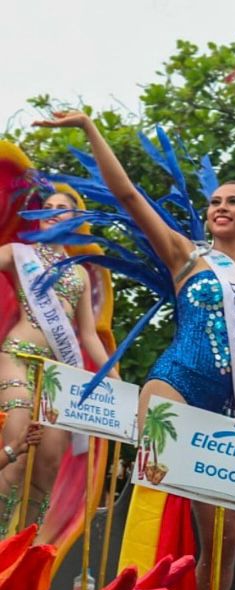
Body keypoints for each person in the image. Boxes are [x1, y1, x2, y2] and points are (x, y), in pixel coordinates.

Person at [36, 111, 235, 590]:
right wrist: (90, 128)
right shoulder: (186, 256)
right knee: (152, 507)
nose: (219, 208)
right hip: (174, 385)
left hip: (226, 409)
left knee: (226, 536)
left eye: (232, 202)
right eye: (214, 201)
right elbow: (130, 197)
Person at [0, 148, 117, 525]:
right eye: (46, 205)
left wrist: (113, 377)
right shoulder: (18, 253)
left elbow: (88, 335)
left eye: (61, 207)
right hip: (17, 356)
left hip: (57, 375)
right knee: (14, 453)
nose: (52, 211)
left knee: (45, 472)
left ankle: (23, 558)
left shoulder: (80, 274)